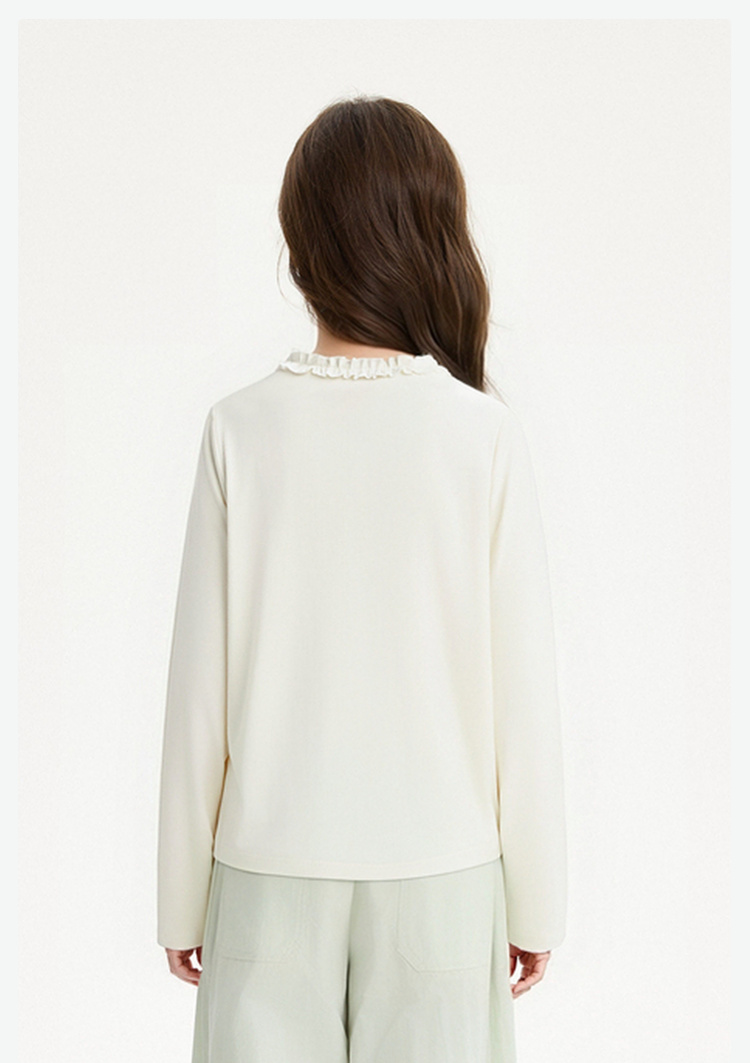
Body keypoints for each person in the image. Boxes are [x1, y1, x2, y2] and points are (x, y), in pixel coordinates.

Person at [157, 94, 567, 1062]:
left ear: (301, 245)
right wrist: (538, 898)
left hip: (265, 875)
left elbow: (197, 698)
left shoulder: (238, 430)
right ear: (435, 236)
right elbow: (523, 697)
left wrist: (179, 895)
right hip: (444, 881)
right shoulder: (482, 436)